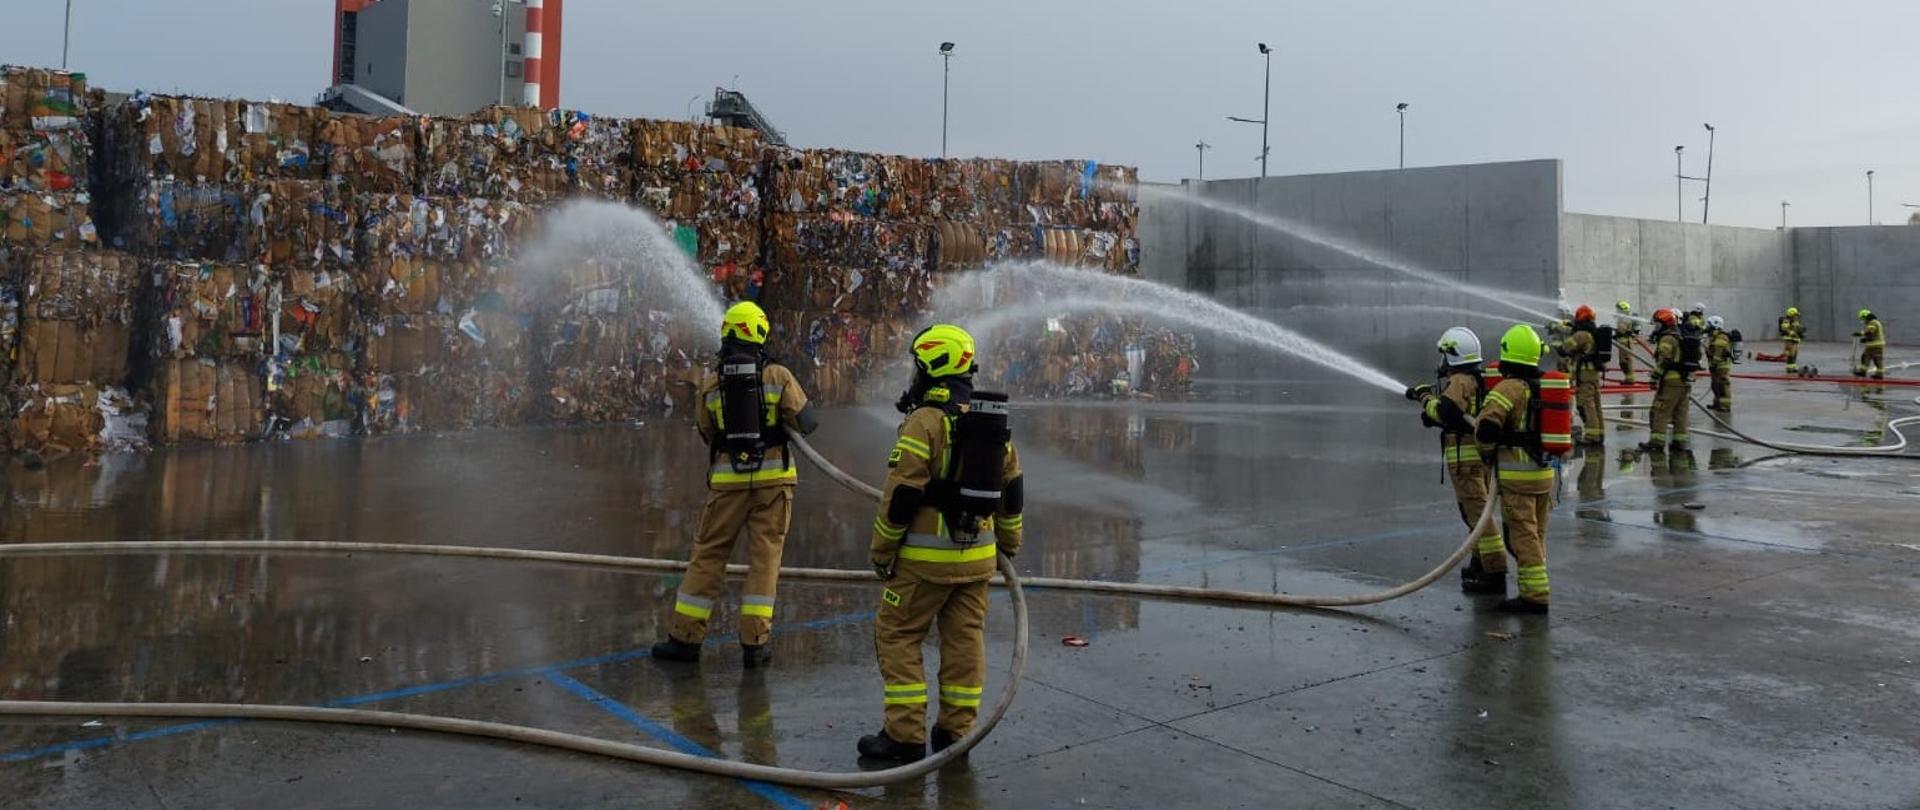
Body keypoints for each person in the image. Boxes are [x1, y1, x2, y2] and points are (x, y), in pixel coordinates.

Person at [859, 324, 1025, 763]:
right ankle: (956, 734)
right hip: (978, 563)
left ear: (933, 365)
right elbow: (1013, 491)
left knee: (896, 634)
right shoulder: (991, 424)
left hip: (923, 564)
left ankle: (905, 736)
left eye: (918, 365)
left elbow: (901, 497)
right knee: (965, 641)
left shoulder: (925, 422)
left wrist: (881, 552)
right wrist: (1009, 544)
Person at [651, 301, 820, 667]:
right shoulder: (778, 376)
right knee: (764, 560)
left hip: (727, 485)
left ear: (726, 333)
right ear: (759, 333)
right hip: (774, 486)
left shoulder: (711, 383)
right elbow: (807, 422)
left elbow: (706, 431)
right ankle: (755, 644)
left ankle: (684, 639)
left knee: (708, 555)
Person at [1404, 327, 1506, 595]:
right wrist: (1432, 411)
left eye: (1445, 355)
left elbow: (1447, 411)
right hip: (1477, 458)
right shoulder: (1475, 378)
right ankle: (1480, 562)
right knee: (1473, 513)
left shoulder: (1460, 380)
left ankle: (1494, 571)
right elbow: (1451, 415)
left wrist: (1424, 397)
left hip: (1466, 460)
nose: (1442, 362)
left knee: (1477, 513)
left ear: (1454, 355)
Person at [1473, 324, 1556, 614]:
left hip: (1518, 478)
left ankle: (1535, 596)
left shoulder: (1508, 388)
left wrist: (1486, 455)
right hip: (1545, 475)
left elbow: (1485, 428)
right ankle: (1534, 586)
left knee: (1521, 535)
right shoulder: (1546, 384)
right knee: (1537, 534)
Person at [1642, 308, 1694, 453]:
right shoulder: (1679, 336)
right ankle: (1679, 443)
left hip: (1671, 382)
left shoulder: (1667, 339)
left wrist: (1654, 377)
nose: (1656, 327)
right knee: (1680, 413)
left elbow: (1664, 360)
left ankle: (1656, 442)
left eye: (1658, 324)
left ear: (1664, 324)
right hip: (1684, 381)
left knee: (1660, 411)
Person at [1558, 305, 1607, 446]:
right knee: (1595, 405)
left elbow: (1564, 349)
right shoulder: (1591, 332)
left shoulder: (1581, 335)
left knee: (1586, 405)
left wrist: (1557, 332)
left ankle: (1592, 436)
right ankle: (1599, 434)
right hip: (1593, 374)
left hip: (1585, 375)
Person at [1707, 315, 1734, 411]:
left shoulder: (1721, 336)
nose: (1707, 327)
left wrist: (1714, 363)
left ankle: (1725, 406)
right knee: (1715, 385)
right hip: (1716, 365)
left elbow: (1718, 352)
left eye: (1709, 325)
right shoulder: (1714, 336)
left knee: (1722, 385)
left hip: (1722, 365)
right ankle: (1717, 403)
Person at [1854, 309, 1887, 379]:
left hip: (1876, 345)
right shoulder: (1872, 322)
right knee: (1865, 357)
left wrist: (1861, 335)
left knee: (1877, 360)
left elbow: (1870, 332)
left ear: (1866, 317)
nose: (1863, 321)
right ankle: (1863, 372)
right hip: (1871, 345)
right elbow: (1870, 333)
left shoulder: (1873, 322)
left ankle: (1879, 375)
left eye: (1863, 318)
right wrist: (1865, 338)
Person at [1614, 301, 1641, 384]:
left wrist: (1617, 334)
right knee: (1623, 362)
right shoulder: (1622, 319)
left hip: (1625, 343)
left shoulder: (1626, 319)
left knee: (1625, 361)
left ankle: (1630, 379)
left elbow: (1623, 331)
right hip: (1622, 343)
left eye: (1618, 309)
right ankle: (1628, 378)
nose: (1616, 311)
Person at [1778, 307, 1805, 374]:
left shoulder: (1795, 321)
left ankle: (1793, 365)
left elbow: (1797, 328)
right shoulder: (1786, 321)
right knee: (1791, 352)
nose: (1796, 317)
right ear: (1791, 315)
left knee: (1795, 352)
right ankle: (1789, 367)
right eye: (1795, 315)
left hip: (1795, 339)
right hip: (1789, 339)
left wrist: (1800, 333)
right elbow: (1785, 328)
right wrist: (1791, 332)